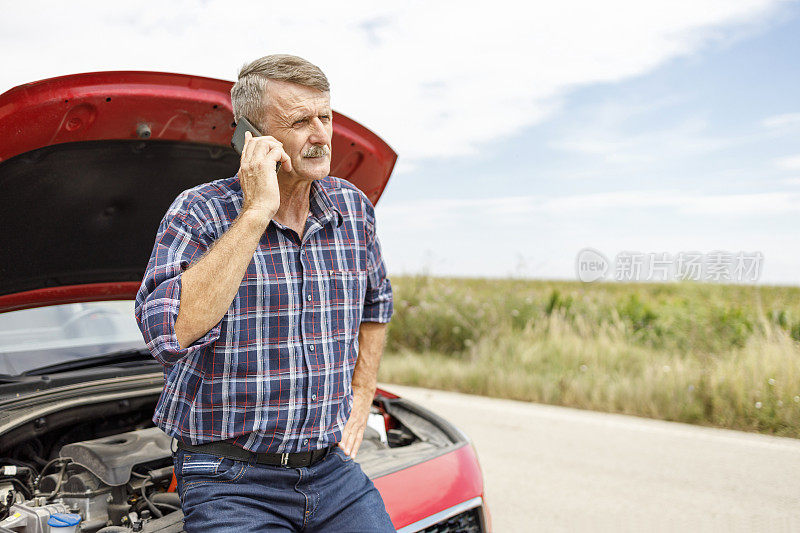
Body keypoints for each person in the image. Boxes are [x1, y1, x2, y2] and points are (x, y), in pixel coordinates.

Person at [134, 54, 395, 532]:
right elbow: (171, 332)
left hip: (330, 469)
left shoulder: (353, 208)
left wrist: (363, 395)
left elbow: (377, 304)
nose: (321, 135)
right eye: (301, 121)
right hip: (230, 479)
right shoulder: (200, 213)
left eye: (326, 116)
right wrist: (256, 212)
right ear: (251, 136)